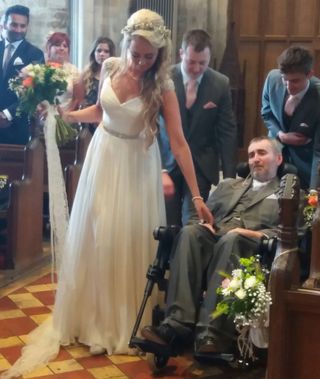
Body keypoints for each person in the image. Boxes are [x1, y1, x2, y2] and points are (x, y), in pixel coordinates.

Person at [0, 9, 213, 379]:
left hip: (135, 166)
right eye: (137, 54)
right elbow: (101, 111)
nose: (141, 63)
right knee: (95, 238)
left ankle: (119, 325)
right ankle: (89, 320)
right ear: (126, 43)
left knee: (121, 239)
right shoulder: (111, 67)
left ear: (159, 55)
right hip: (103, 157)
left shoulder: (162, 86)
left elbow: (179, 143)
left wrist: (196, 196)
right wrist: (68, 114)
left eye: (149, 57)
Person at [142, 136, 286, 355]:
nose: (255, 159)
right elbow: (205, 216)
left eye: (262, 153)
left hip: (248, 248)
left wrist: (248, 232)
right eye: (251, 155)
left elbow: (286, 235)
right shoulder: (228, 186)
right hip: (215, 239)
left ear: (279, 158)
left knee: (232, 239)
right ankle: (175, 326)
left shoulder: (287, 195)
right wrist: (204, 224)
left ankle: (212, 333)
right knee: (190, 232)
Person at [158, 29, 237, 226]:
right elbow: (152, 125)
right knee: (168, 223)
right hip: (168, 161)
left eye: (203, 63)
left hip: (201, 162)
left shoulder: (220, 83)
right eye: (191, 62)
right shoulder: (163, 78)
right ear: (181, 53)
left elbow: (227, 131)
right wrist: (159, 168)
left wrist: (229, 178)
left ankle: (187, 257)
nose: (196, 68)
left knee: (194, 222)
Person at [261, 45, 320, 190]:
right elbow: (266, 114)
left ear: (309, 74)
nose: (288, 86)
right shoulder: (272, 79)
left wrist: (314, 191)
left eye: (295, 81)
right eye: (284, 80)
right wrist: (281, 135)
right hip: (274, 156)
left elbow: (319, 151)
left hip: (304, 166)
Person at [0, 4, 45, 144]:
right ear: (4, 24)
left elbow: (33, 93)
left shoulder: (35, 54)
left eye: (22, 26)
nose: (18, 30)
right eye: (14, 25)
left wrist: (7, 114)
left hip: (15, 125)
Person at [80, 36, 115, 133]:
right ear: (94, 53)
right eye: (99, 51)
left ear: (111, 54)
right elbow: (80, 99)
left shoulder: (115, 75)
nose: (102, 54)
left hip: (109, 119)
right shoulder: (86, 74)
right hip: (89, 120)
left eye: (106, 51)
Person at [46, 32, 83, 112]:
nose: (61, 48)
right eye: (57, 45)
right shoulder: (40, 69)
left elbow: (77, 99)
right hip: (43, 118)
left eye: (65, 46)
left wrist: (67, 116)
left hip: (66, 118)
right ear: (49, 47)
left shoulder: (73, 70)